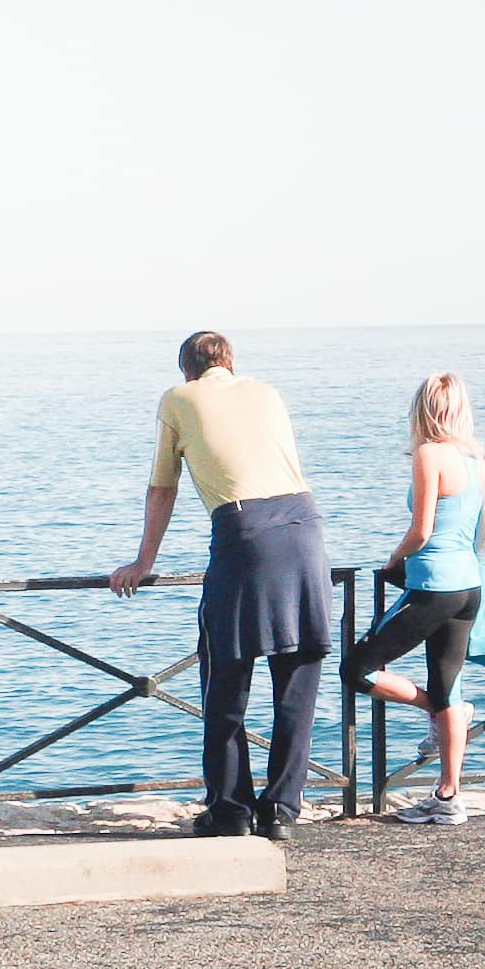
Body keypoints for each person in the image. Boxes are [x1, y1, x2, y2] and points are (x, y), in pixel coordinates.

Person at [109, 331, 336, 840]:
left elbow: (162, 486)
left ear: (187, 370)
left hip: (244, 532)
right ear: (230, 364)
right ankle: (281, 811)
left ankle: (231, 809)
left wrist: (144, 561)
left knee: (226, 676)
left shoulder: (178, 398)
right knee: (296, 682)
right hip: (304, 528)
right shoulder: (268, 392)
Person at [341, 372, 485, 824]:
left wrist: (394, 559)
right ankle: (449, 797)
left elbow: (421, 530)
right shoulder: (474, 460)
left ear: (422, 409)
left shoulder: (430, 454)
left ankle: (438, 709)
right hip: (469, 587)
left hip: (433, 585)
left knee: (357, 669)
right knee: (447, 685)